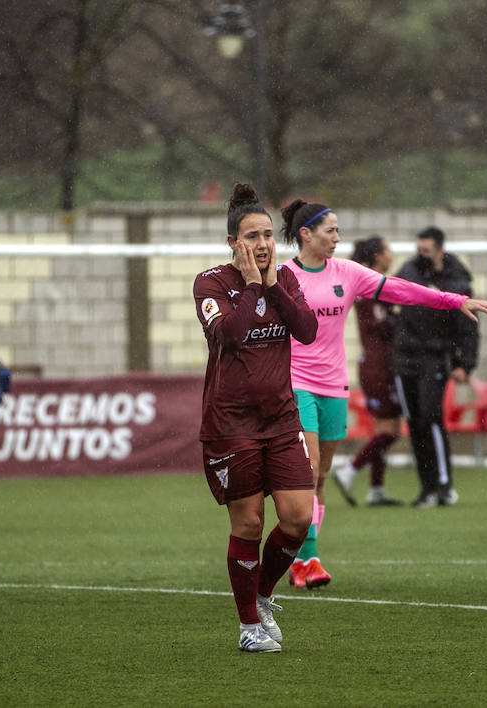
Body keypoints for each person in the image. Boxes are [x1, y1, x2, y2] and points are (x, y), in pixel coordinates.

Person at [282, 207, 487, 589]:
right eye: (330, 231)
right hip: (296, 383)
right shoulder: (283, 276)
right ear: (305, 234)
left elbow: (401, 290)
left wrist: (452, 300)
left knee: (322, 474)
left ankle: (302, 553)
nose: (336, 238)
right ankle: (308, 557)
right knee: (309, 469)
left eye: (338, 231)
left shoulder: (347, 273)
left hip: (334, 384)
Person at [193, 183, 317, 652]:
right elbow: (231, 334)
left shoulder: (284, 279)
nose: (263, 244)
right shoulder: (211, 283)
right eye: (252, 237)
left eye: (267, 235)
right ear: (233, 243)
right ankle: (248, 626)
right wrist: (249, 286)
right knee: (248, 525)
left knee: (298, 518)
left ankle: (262, 594)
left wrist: (268, 286)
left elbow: (306, 330)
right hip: (231, 425)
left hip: (282, 422)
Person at [394, 227, 483, 508]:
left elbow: (467, 325)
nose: (421, 255)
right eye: (419, 250)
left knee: (431, 418)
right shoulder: (408, 271)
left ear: (439, 251)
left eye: (427, 251)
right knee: (415, 423)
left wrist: (464, 363)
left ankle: (444, 485)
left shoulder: (456, 279)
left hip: (434, 357)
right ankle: (426, 488)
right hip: (404, 359)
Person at [333, 236, 405, 508]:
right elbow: (383, 325)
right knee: (391, 431)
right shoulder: (372, 286)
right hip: (380, 366)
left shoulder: (365, 284)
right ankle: (350, 469)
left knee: (382, 429)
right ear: (377, 256)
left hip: (372, 363)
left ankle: (376, 489)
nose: (391, 255)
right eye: (388, 250)